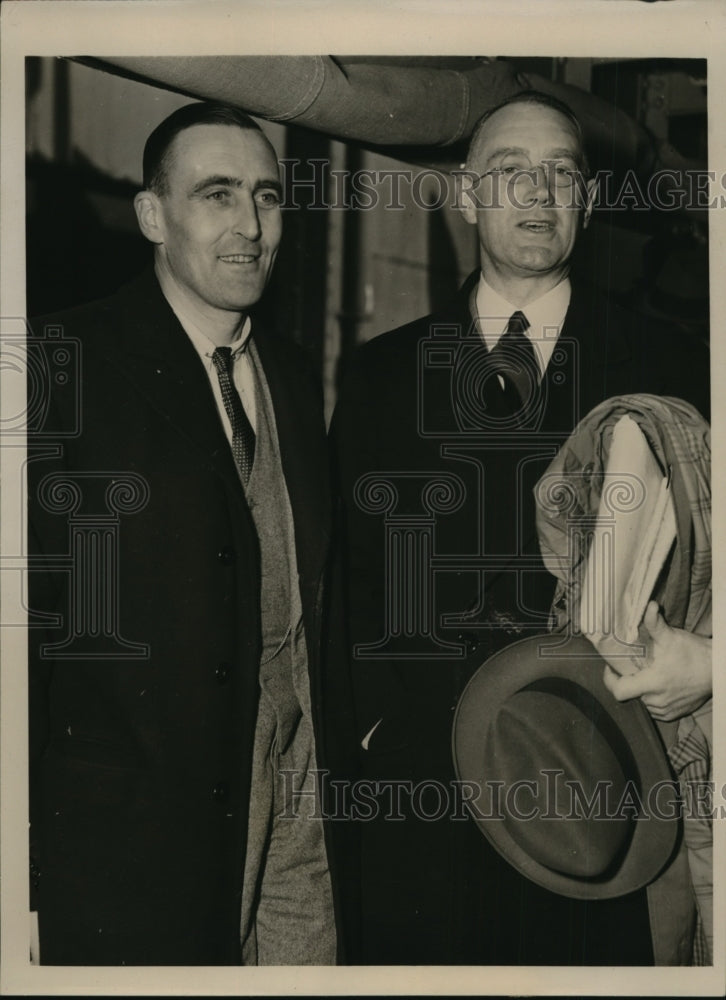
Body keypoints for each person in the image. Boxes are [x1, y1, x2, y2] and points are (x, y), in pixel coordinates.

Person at [330, 91, 710, 965]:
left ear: (586, 200)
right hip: (424, 789)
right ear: (465, 198)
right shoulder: (382, 375)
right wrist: (378, 743)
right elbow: (348, 585)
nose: (538, 194)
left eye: (561, 175)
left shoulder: (674, 366)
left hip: (598, 776)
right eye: (509, 173)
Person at [27, 102, 347, 966]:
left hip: (293, 819)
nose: (250, 226)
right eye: (216, 195)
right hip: (131, 849)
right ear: (151, 216)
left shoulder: (287, 370)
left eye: (267, 197)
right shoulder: (66, 363)